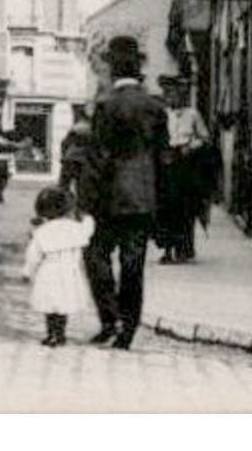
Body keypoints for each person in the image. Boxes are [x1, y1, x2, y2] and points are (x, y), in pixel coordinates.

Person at [84, 35, 167, 350]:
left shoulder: (106, 106)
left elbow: (98, 157)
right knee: (134, 265)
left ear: (114, 68)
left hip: (109, 196)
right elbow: (163, 159)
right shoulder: (155, 107)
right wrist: (160, 204)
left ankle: (110, 318)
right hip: (143, 198)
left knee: (95, 255)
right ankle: (128, 329)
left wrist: (87, 202)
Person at [22, 185, 95, 347]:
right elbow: (88, 230)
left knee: (50, 305)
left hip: (49, 271)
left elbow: (33, 254)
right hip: (69, 271)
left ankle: (51, 334)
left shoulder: (42, 231)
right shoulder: (75, 228)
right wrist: (86, 216)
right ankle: (61, 334)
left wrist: (27, 271)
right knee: (63, 304)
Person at [156, 75, 213, 264]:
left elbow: (205, 138)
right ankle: (167, 250)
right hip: (167, 164)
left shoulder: (193, 114)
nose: (173, 98)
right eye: (169, 94)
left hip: (186, 166)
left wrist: (191, 146)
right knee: (166, 209)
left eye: (177, 94)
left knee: (185, 209)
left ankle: (184, 248)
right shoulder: (163, 115)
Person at [58, 115, 93, 195]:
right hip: (83, 161)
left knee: (63, 184)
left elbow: (64, 143)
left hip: (69, 159)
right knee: (81, 186)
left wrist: (63, 156)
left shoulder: (75, 128)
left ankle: (61, 202)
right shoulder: (92, 129)